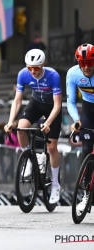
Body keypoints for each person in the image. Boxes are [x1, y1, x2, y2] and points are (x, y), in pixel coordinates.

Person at [4, 49, 62, 204]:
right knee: (20, 128)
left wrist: (48, 122)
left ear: (42, 65)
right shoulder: (23, 74)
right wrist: (11, 121)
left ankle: (56, 184)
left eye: (36, 68)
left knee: (51, 148)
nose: (32, 71)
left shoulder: (53, 76)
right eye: (30, 68)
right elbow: (17, 101)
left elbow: (57, 105)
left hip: (52, 108)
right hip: (36, 103)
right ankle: (29, 159)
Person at [66, 43, 94, 213]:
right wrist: (76, 121)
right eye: (82, 64)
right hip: (88, 111)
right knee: (86, 150)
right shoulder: (73, 73)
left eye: (89, 63)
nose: (85, 68)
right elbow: (70, 102)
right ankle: (86, 195)